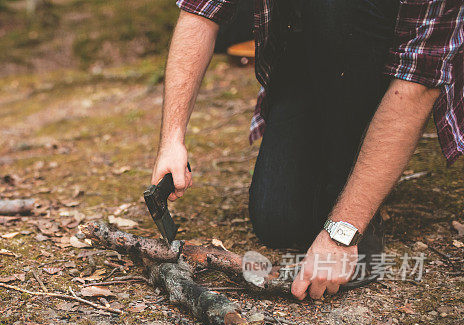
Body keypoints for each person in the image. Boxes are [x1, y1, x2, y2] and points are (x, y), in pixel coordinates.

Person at [151, 0, 464, 300]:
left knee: (335, 8)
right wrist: (172, 140)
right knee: (279, 221)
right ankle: (339, 168)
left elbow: (417, 84)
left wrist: (343, 232)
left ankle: (357, 201)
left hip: (384, 61)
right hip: (305, 48)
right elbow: (200, 10)